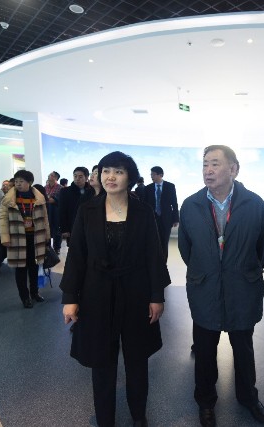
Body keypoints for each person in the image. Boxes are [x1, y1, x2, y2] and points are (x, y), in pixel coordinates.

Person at [61, 151, 170, 427]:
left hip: (136, 292)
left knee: (137, 359)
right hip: (96, 293)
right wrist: (70, 297)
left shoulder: (143, 212)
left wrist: (157, 296)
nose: (110, 177)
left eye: (118, 171)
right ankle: (105, 418)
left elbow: (154, 255)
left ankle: (138, 415)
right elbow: (77, 255)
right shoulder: (87, 210)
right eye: (106, 171)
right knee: (101, 361)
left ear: (129, 177)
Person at [178, 145, 264, 427]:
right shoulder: (191, 205)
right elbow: (186, 249)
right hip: (204, 288)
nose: (208, 170)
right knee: (205, 351)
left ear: (234, 169)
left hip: (242, 288)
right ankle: (206, 402)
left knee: (243, 349)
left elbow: (262, 248)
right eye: (205, 164)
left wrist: (241, 269)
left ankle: (248, 398)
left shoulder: (254, 204)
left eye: (215, 164)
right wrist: (207, 269)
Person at [0, 170, 50, 308]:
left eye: (21, 181)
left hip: (36, 237)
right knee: (20, 268)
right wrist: (5, 237)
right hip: (17, 237)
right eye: (16, 181)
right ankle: (25, 297)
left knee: (34, 267)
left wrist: (47, 235)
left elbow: (45, 218)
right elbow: (3, 219)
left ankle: (35, 292)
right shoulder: (9, 199)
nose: (18, 184)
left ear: (30, 182)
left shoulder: (39, 198)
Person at [145, 166, 179, 261]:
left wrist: (176, 219)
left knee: (164, 241)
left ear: (160, 175)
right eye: (151, 174)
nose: (151, 176)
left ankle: (163, 262)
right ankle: (154, 261)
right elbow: (145, 205)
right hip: (152, 219)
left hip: (166, 219)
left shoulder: (170, 186)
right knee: (153, 241)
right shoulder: (148, 188)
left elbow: (174, 203)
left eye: (153, 174)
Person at [59, 166, 95, 246]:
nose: (77, 179)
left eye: (80, 176)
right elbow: (62, 211)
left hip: (89, 227)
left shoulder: (92, 191)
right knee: (74, 249)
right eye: (75, 176)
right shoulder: (65, 191)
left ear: (86, 178)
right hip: (72, 226)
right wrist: (64, 229)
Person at [45, 171, 62, 254]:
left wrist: (50, 199)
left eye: (52, 175)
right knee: (46, 229)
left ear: (56, 178)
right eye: (49, 174)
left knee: (57, 230)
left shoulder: (60, 188)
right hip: (46, 211)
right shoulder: (45, 187)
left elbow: (55, 200)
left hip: (56, 212)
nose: (49, 176)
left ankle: (57, 248)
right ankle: (47, 247)